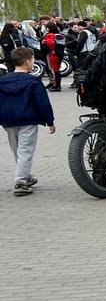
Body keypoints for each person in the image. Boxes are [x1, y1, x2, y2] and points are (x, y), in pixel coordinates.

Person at [0, 47, 55, 196]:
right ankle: (20, 181)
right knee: (25, 151)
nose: (33, 63)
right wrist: (49, 121)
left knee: (17, 150)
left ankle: (26, 175)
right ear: (26, 62)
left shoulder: (2, 81)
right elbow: (42, 103)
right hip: (28, 120)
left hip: (8, 120)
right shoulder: (33, 81)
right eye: (32, 60)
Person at [41, 27, 63, 91]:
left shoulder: (50, 35)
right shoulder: (59, 35)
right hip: (59, 54)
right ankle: (56, 85)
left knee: (53, 70)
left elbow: (51, 43)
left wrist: (45, 42)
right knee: (57, 70)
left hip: (53, 54)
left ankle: (56, 86)